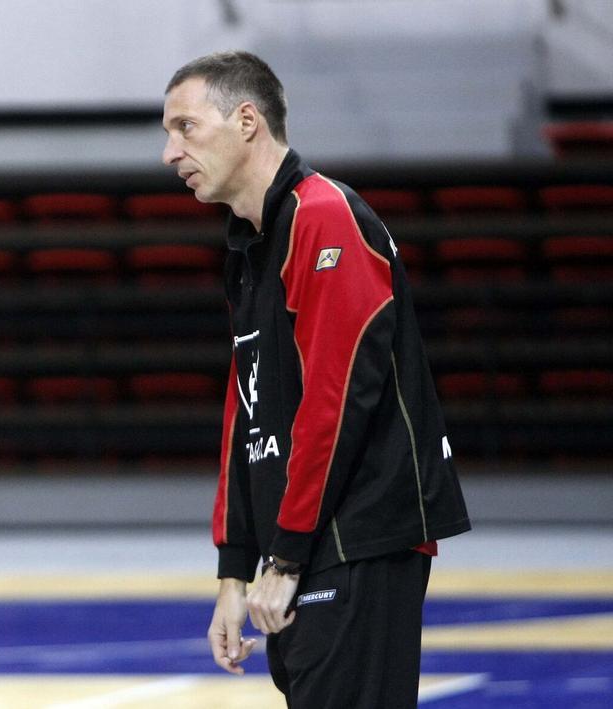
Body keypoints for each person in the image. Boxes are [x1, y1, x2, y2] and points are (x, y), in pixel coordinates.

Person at [161, 51, 471, 708]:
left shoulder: (322, 216)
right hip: (307, 546)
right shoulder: (250, 244)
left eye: (185, 127)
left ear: (247, 120)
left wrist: (286, 557)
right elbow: (245, 411)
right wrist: (234, 568)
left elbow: (337, 400)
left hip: (356, 539)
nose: (169, 151)